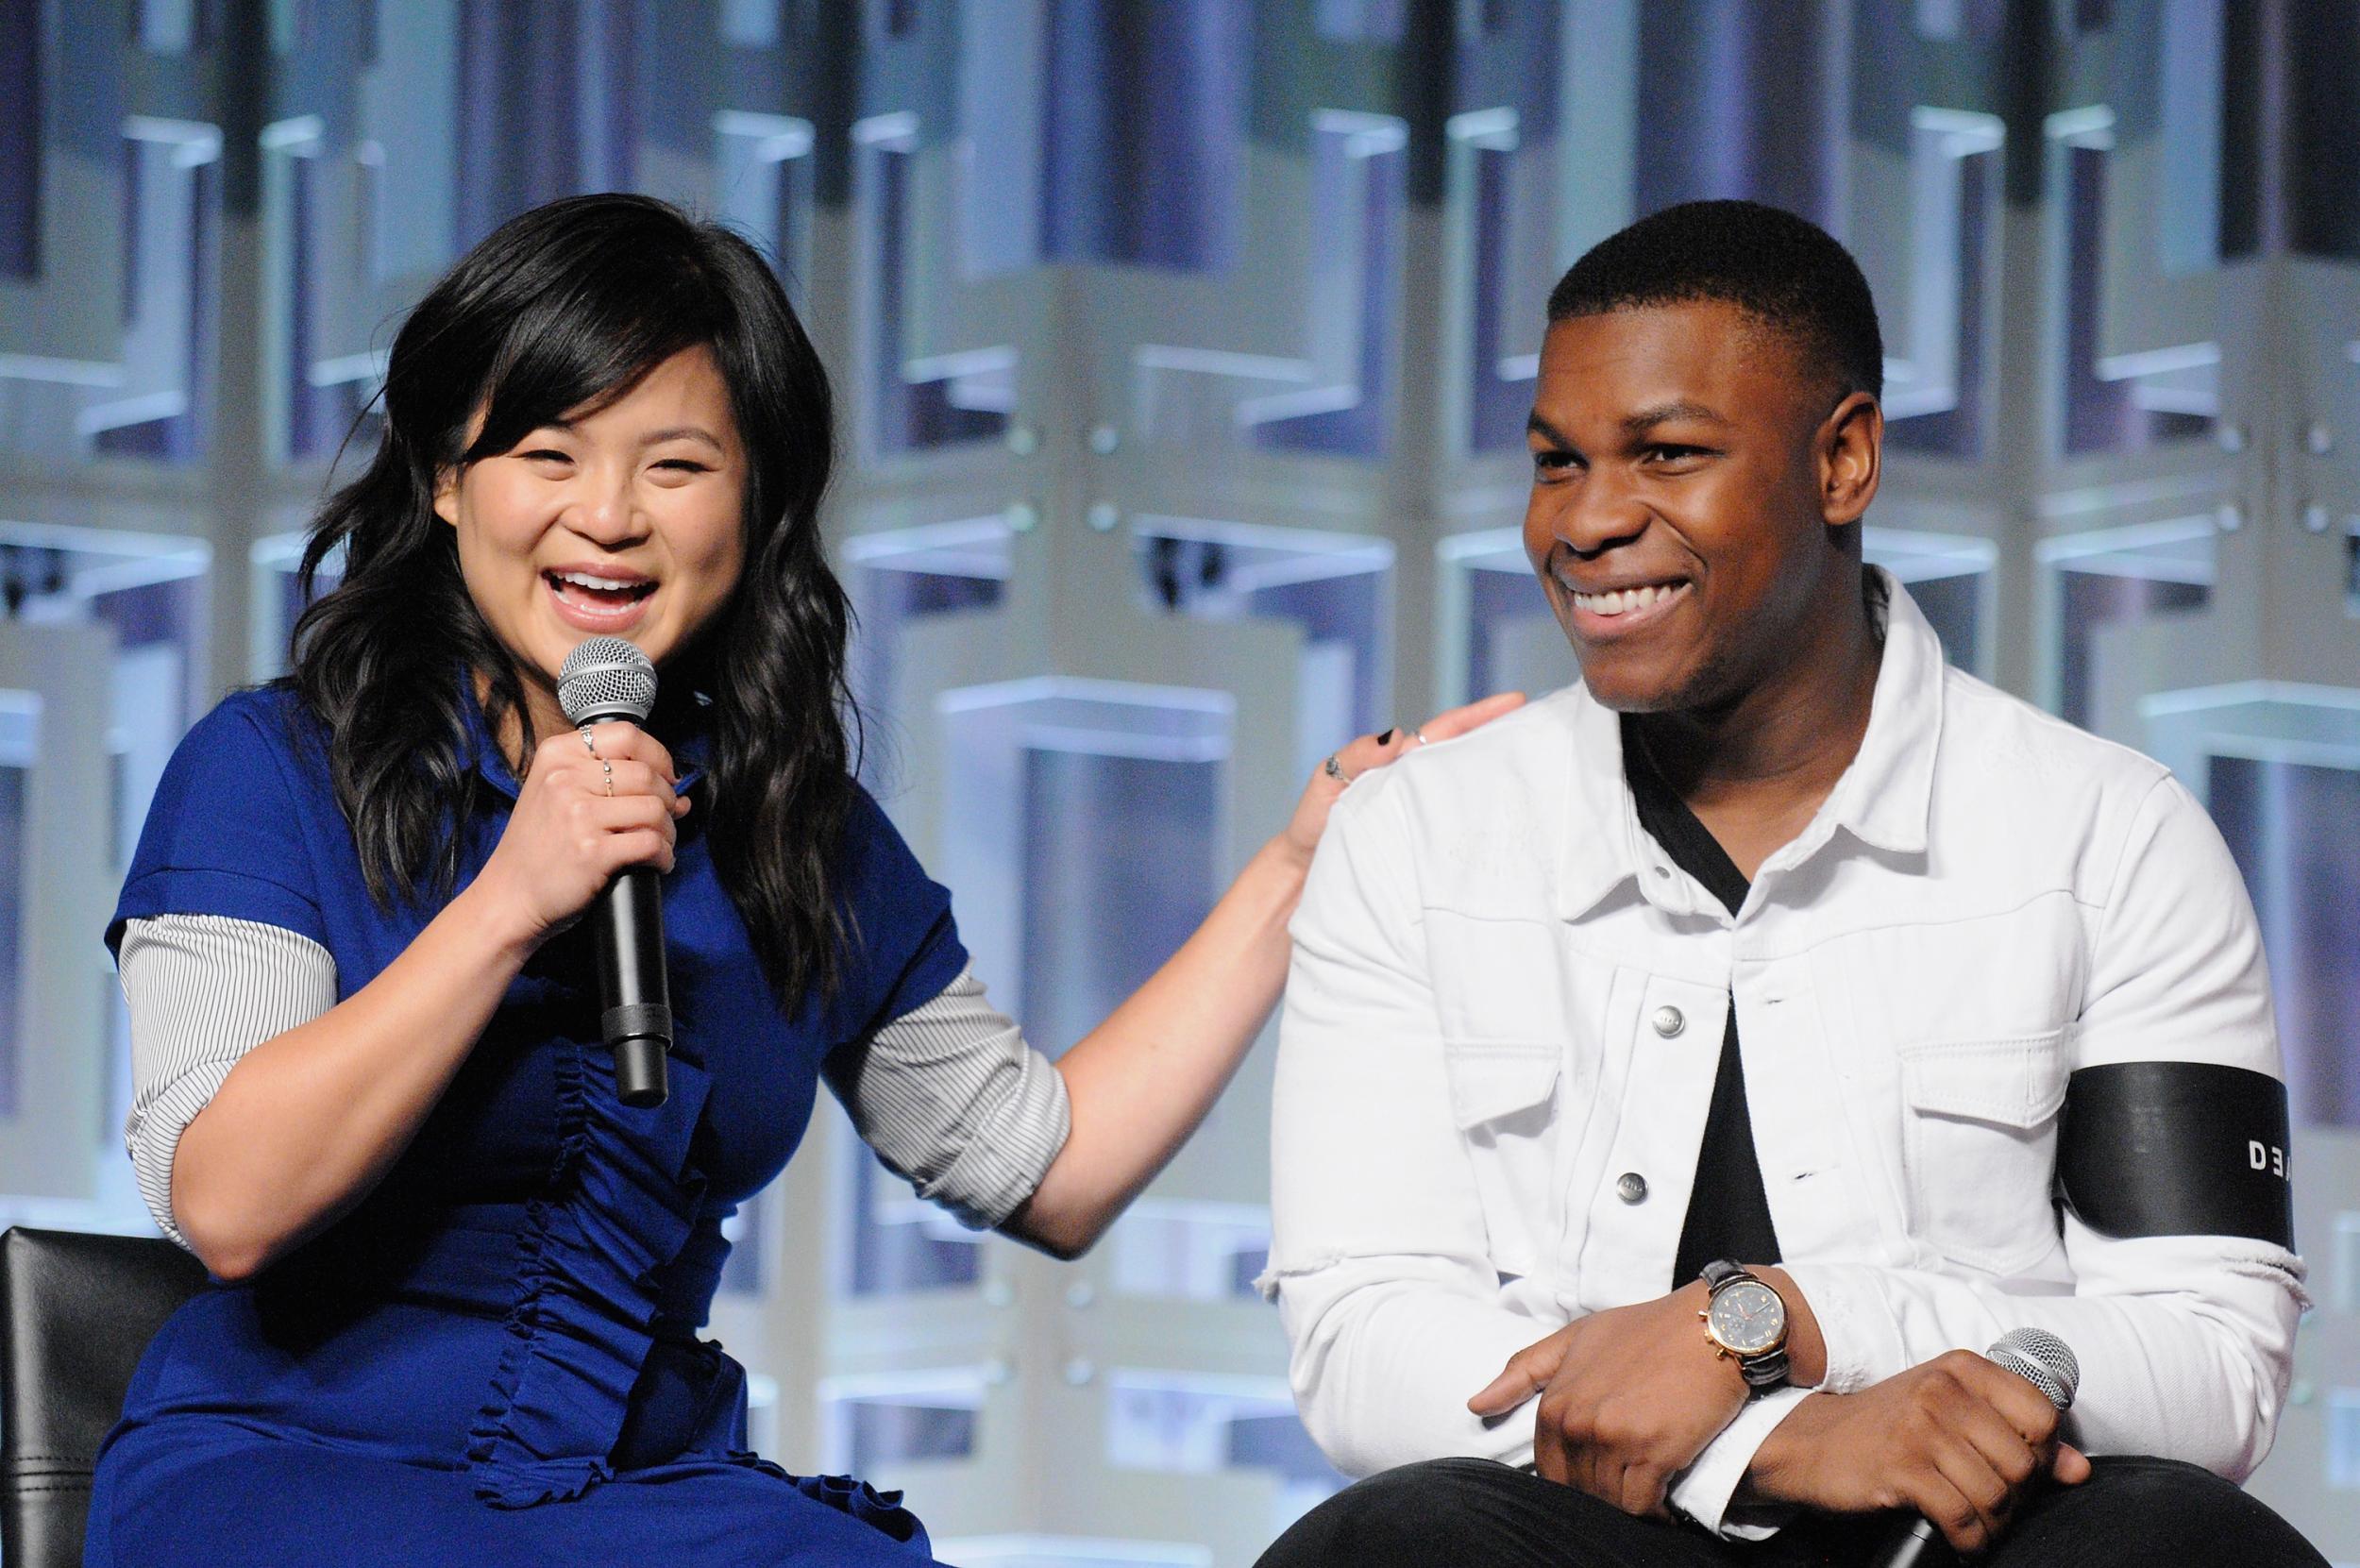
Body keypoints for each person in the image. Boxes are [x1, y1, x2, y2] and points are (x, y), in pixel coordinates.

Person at [91, 192, 1519, 1568]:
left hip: (640, 1493)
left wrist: (1304, 860)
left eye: (676, 465)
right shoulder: (274, 767)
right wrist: (511, 899)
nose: (609, 516)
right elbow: (230, 1199)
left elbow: (1047, 1163)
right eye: (547, 453)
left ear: (754, 498)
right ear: (447, 479)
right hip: (296, 1472)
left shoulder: (789, 823)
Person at [1256, 200, 2326, 1568]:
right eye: (1557, 462)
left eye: (1667, 454)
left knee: (2181, 1540)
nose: (1586, 522)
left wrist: (1795, 1320)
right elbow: (1361, 1333)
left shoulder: (2108, 833)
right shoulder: (1415, 835)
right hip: (1589, 1536)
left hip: (1977, 1538)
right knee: (1393, 1542)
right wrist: (1773, 1437)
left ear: (1844, 459)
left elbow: (2215, 1356)